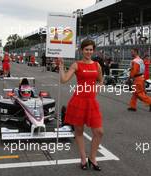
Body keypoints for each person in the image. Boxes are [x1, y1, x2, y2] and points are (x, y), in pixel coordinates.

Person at [59, 39, 103, 171]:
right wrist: (61, 66)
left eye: (91, 49)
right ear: (81, 50)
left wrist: (97, 89)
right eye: (86, 49)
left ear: (93, 50)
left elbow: (101, 80)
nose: (88, 52)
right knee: (79, 131)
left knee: (99, 132)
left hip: (91, 101)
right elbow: (64, 80)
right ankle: (83, 158)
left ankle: (93, 158)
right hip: (78, 101)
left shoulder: (97, 65)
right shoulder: (76, 65)